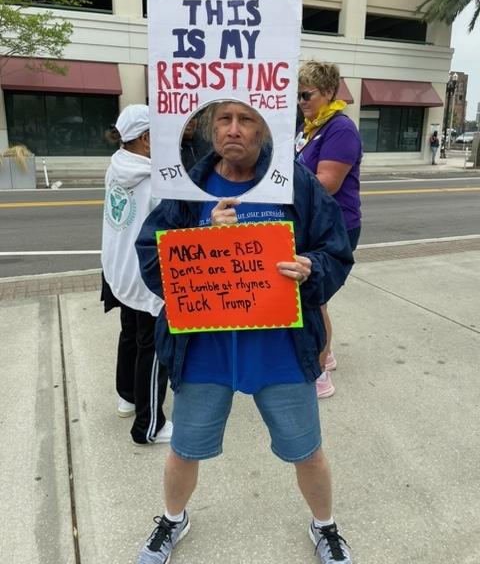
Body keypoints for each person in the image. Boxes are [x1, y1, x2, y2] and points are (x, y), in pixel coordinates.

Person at [135, 100, 354, 564]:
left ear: (263, 129)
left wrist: (311, 268)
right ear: (211, 128)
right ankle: (173, 519)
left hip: (280, 346)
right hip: (203, 347)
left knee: (308, 451)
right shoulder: (187, 188)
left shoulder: (297, 184)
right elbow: (151, 258)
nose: (234, 129)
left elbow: (336, 250)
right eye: (224, 119)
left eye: (246, 119)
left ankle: (325, 526)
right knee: (184, 450)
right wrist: (202, 241)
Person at [101, 104, 172, 445]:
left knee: (129, 334)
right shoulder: (156, 180)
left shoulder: (116, 165)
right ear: (146, 138)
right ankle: (149, 425)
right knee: (153, 347)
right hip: (146, 276)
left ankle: (127, 397)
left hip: (118, 268)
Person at [296, 61, 362, 399]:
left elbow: (327, 183)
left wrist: (281, 187)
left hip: (337, 228)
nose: (300, 101)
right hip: (313, 225)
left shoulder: (340, 129)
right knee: (313, 296)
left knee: (315, 299)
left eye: (306, 94)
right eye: (297, 95)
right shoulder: (309, 128)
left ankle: (320, 374)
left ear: (327, 92)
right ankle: (328, 354)